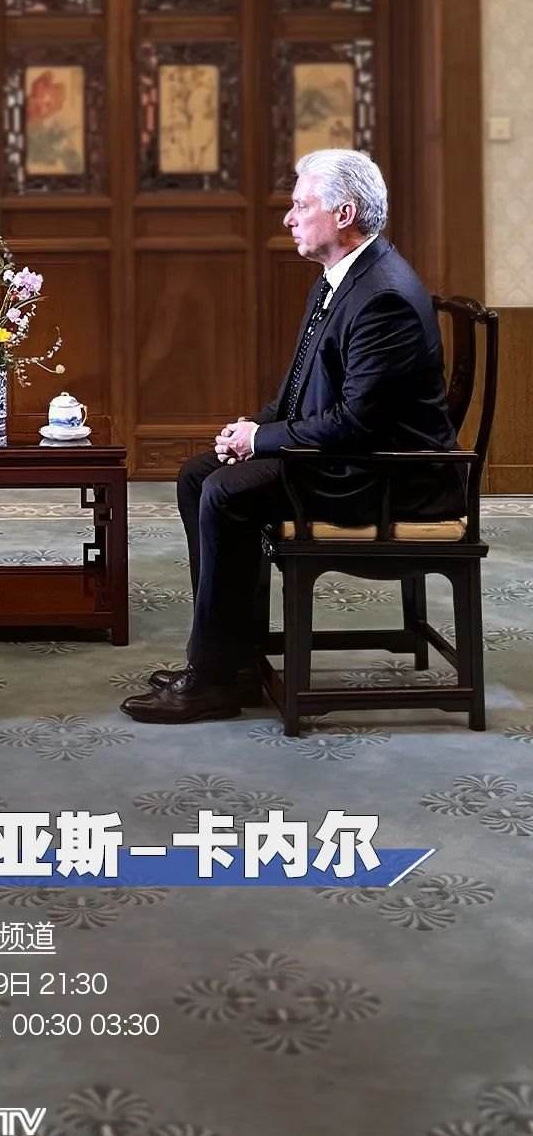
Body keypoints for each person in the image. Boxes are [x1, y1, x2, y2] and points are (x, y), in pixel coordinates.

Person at [121, 148, 460, 725]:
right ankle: (236, 661)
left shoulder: (382, 296)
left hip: (385, 478)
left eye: (302, 205)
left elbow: (357, 423)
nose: (288, 217)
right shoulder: (342, 278)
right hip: (353, 459)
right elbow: (301, 386)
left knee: (226, 492)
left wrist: (263, 441)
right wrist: (252, 431)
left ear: (344, 214)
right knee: (200, 475)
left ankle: (212, 677)